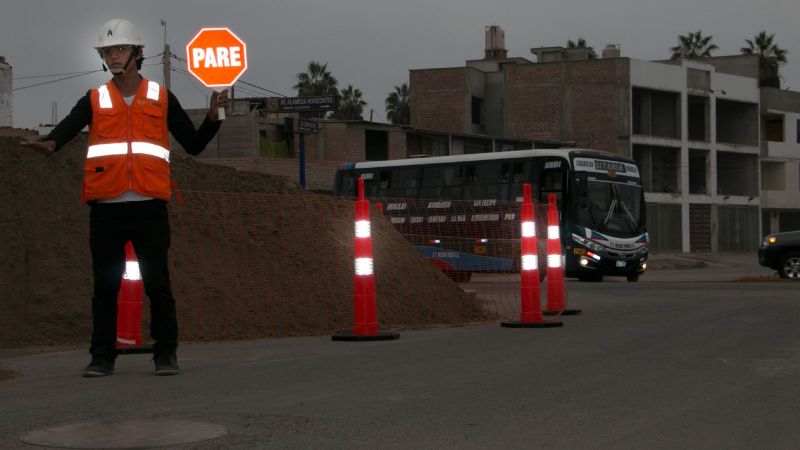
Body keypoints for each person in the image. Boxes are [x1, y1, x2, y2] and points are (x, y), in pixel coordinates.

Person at [21, 19, 228, 377]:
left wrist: (213, 119)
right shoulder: (95, 98)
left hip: (149, 206)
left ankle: (166, 354)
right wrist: (49, 144)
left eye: (119, 49)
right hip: (106, 208)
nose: (113, 56)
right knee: (105, 288)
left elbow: (193, 146)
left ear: (137, 54)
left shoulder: (161, 98)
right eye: (107, 51)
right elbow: (66, 128)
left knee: (158, 285)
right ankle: (102, 357)